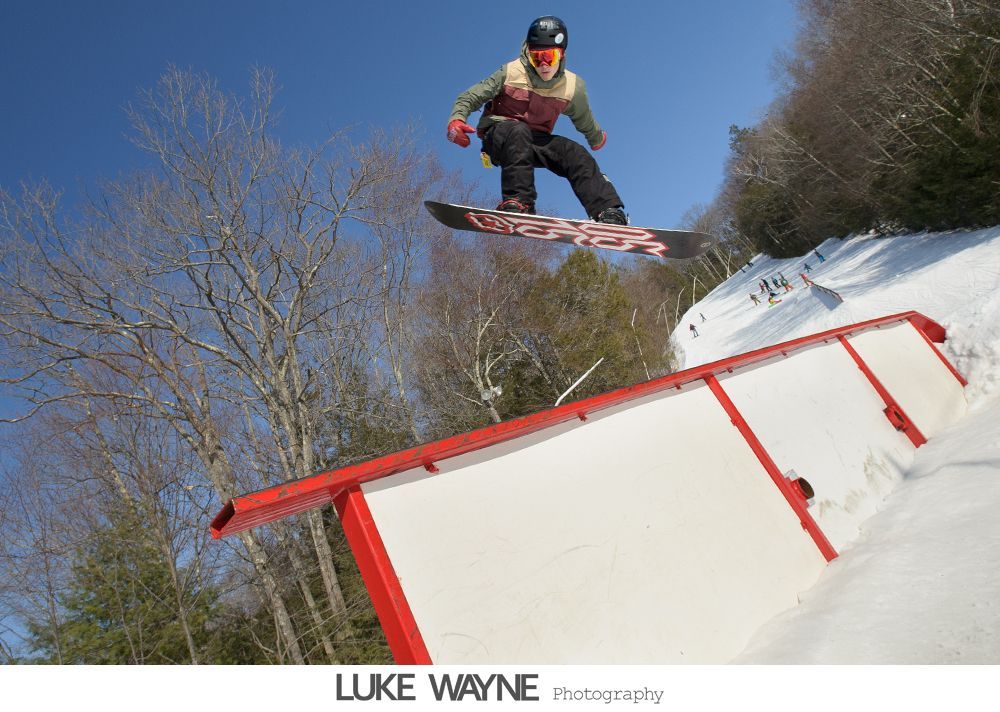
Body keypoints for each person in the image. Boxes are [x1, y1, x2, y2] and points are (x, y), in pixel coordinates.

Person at [446, 16, 627, 224]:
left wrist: (596, 138)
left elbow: (584, 118)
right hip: (500, 136)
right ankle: (520, 203)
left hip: (535, 141)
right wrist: (456, 120)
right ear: (527, 54)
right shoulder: (511, 72)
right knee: (517, 131)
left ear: (562, 54)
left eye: (549, 56)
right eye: (536, 57)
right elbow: (471, 96)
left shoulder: (572, 87)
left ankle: (607, 211)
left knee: (574, 153)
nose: (543, 65)